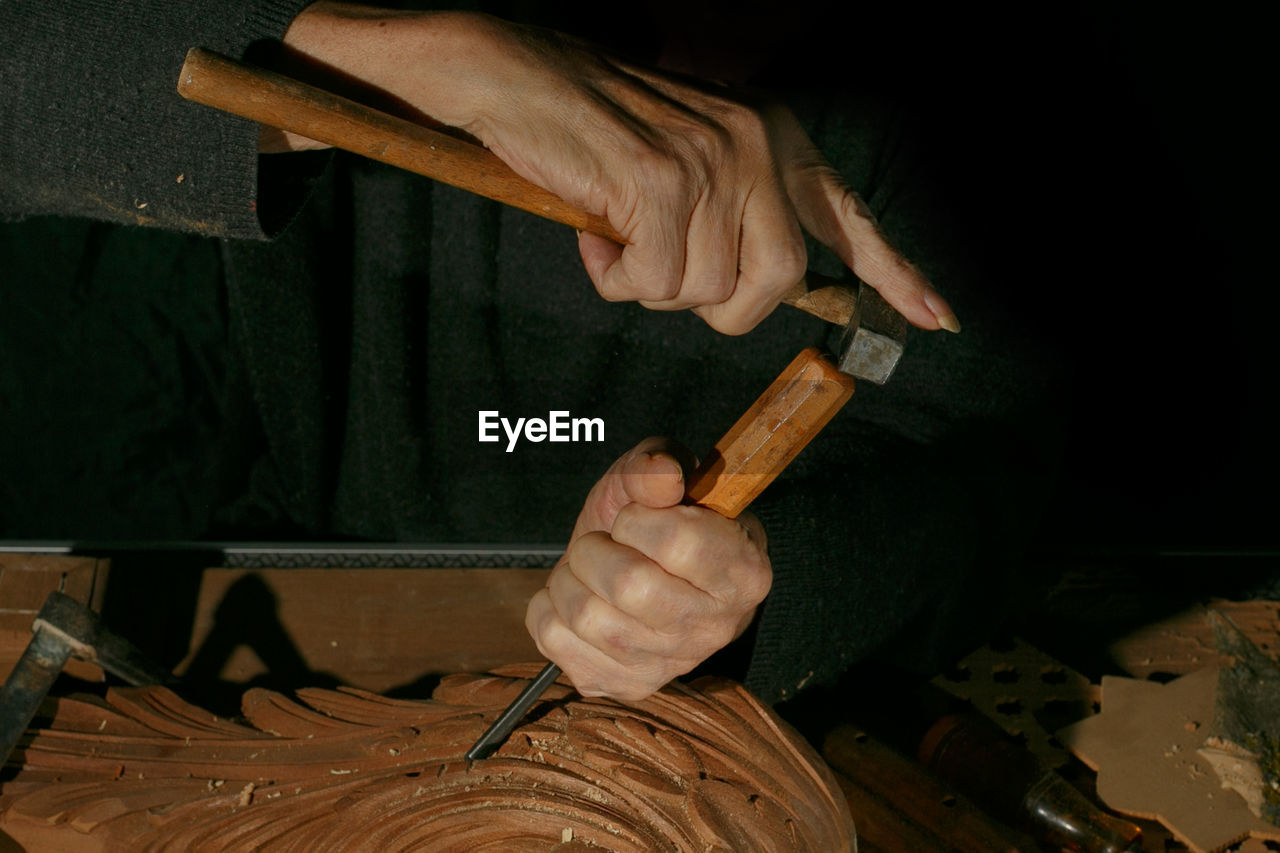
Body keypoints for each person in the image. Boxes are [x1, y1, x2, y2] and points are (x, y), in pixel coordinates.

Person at [0, 1, 1060, 705]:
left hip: (738, 705)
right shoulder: (388, 45)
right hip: (330, 615)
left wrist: (766, 578)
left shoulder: (959, 103)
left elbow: (1014, 495)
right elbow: (34, 97)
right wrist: (423, 57)